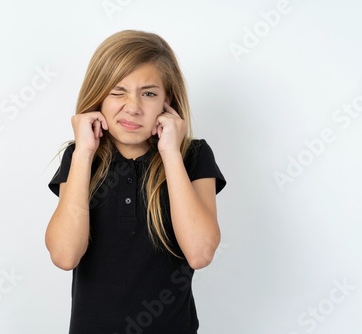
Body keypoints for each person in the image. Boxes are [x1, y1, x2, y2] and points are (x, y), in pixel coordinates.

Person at [45, 30, 226, 334]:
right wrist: (84, 152)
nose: (133, 107)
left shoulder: (193, 156)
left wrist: (170, 152)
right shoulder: (80, 158)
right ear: (98, 95)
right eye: (118, 91)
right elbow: (64, 255)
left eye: (149, 93)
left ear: (167, 101)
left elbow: (200, 252)